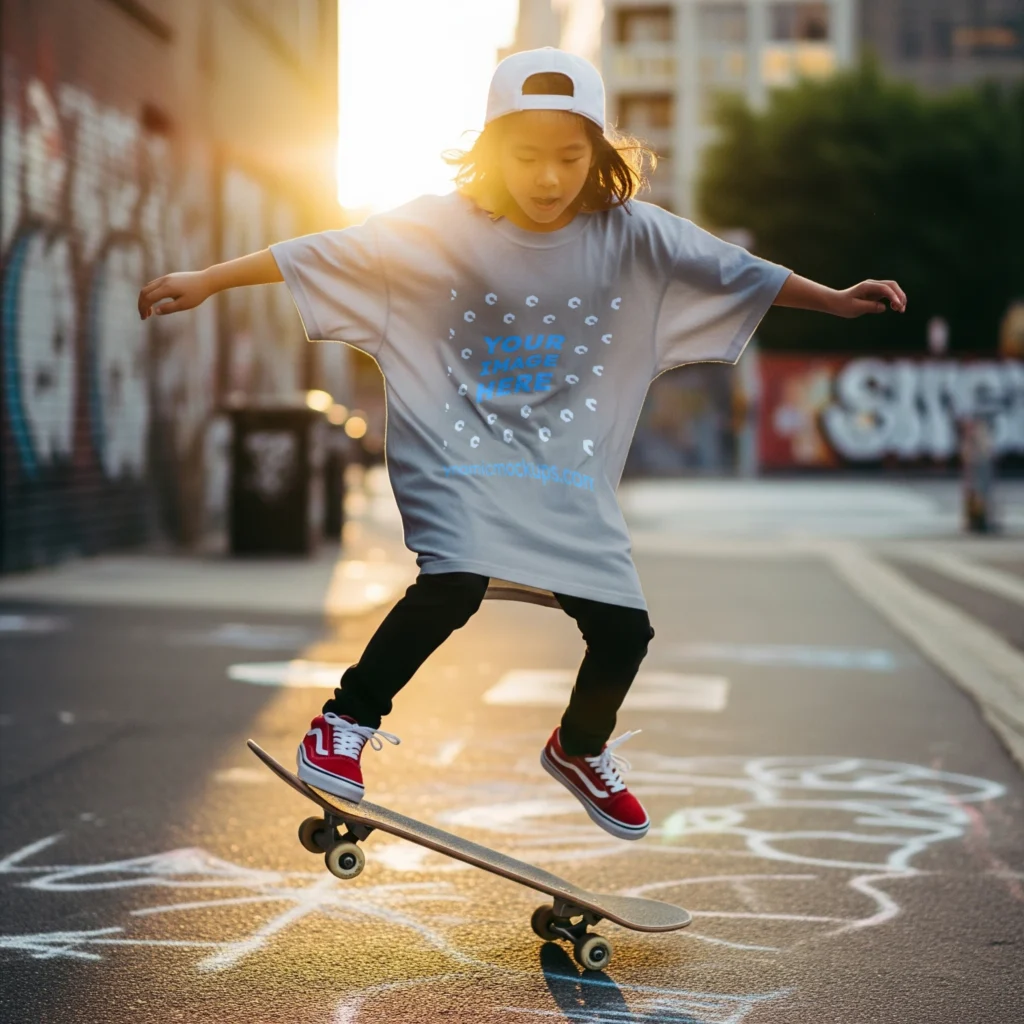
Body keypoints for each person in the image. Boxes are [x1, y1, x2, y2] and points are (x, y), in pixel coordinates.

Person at [137, 48, 906, 841]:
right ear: (493, 150)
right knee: (454, 582)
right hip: (459, 454)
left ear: (598, 154)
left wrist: (835, 301)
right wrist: (208, 280)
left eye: (570, 157)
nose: (549, 177)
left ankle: (580, 747)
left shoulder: (633, 234)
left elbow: (736, 270)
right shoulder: (441, 225)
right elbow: (325, 251)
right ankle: (343, 723)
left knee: (623, 631)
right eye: (527, 156)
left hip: (564, 474)